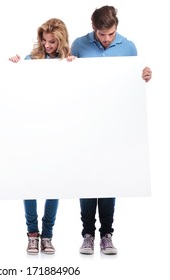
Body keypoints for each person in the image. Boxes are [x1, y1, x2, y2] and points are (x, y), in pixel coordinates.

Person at [70, 5, 152, 256]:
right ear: (93, 27)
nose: (106, 39)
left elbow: (131, 83)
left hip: (116, 124)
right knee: (87, 181)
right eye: (101, 34)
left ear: (116, 28)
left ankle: (107, 234)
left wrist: (144, 76)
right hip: (85, 122)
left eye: (111, 34)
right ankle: (87, 234)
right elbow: (69, 81)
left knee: (108, 179)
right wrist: (67, 65)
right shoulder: (79, 45)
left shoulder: (129, 47)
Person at [9, 18, 74, 255]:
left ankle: (47, 234)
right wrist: (15, 65)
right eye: (44, 41)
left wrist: (73, 67)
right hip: (32, 131)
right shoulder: (31, 60)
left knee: (53, 185)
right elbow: (17, 90)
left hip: (58, 132)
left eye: (52, 42)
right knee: (29, 184)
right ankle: (32, 234)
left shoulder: (70, 61)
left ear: (62, 40)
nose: (47, 45)